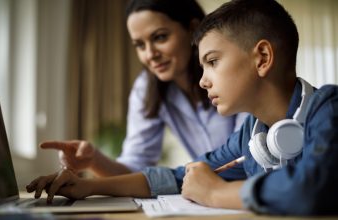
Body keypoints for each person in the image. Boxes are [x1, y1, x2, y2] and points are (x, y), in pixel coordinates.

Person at [27, 0, 338, 215]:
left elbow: (308, 189)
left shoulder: (328, 108)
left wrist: (215, 193)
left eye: (213, 62)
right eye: (202, 67)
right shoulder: (251, 135)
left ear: (262, 58)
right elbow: (183, 176)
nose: (204, 81)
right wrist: (88, 187)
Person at [40, 0, 247, 177]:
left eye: (160, 37)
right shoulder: (147, 88)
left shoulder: (231, 72)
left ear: (193, 29)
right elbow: (135, 164)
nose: (150, 54)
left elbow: (243, 158)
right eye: (140, 45)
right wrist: (93, 160)